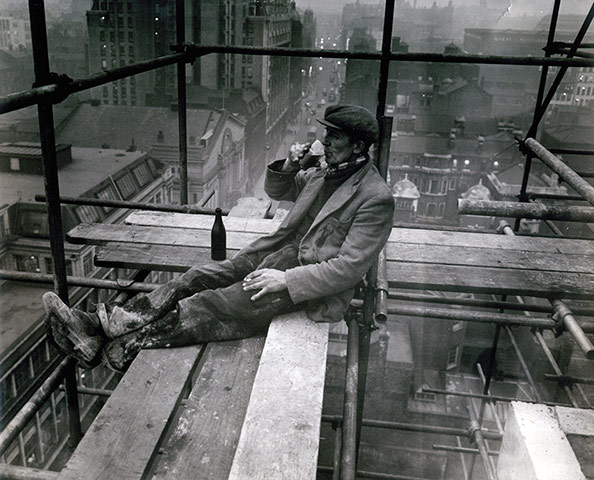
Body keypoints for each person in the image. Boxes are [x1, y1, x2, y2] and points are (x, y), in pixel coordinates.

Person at [43, 104, 395, 371]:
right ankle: (99, 324)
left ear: (359, 146)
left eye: (334, 136)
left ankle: (120, 344)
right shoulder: (323, 174)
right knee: (198, 277)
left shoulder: (374, 197)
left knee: (217, 303)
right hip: (274, 257)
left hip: (303, 281)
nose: (325, 141)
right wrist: (290, 165)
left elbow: (348, 269)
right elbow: (280, 189)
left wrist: (285, 280)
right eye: (327, 134)